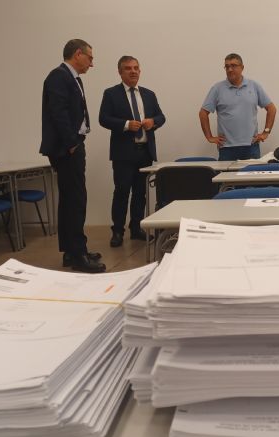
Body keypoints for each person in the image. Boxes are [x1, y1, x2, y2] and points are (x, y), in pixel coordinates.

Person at [39, 39, 105, 273]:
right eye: (90, 57)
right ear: (78, 54)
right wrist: (71, 143)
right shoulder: (59, 76)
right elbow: (58, 112)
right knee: (76, 199)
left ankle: (71, 250)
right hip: (67, 148)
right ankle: (78, 256)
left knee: (70, 200)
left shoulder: (71, 78)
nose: (91, 63)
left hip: (71, 145)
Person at [99, 56, 166, 248]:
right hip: (123, 153)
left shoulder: (149, 94)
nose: (133, 71)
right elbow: (103, 119)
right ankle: (117, 231)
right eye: (128, 68)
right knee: (121, 192)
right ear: (120, 72)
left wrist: (153, 122)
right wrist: (127, 124)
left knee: (140, 193)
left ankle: (136, 228)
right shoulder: (111, 94)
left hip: (145, 151)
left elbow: (161, 116)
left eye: (136, 68)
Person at [199, 53, 277, 161]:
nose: (230, 69)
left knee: (251, 173)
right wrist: (209, 137)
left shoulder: (254, 86)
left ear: (242, 67)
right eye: (227, 66)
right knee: (225, 173)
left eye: (233, 65)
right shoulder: (217, 89)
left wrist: (266, 132)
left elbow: (271, 109)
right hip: (226, 148)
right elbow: (203, 113)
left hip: (251, 146)